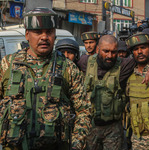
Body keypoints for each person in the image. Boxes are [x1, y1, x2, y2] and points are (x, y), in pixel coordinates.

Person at [0, 7, 91, 150]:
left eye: (49, 32)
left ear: (55, 35)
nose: (44, 37)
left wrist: (76, 144)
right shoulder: (7, 65)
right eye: (38, 32)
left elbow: (84, 111)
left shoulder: (68, 68)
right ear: (27, 34)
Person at [77, 35, 149, 150]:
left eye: (114, 52)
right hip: (90, 126)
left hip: (113, 128)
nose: (110, 56)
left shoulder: (124, 65)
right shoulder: (85, 62)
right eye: (105, 51)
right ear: (98, 49)